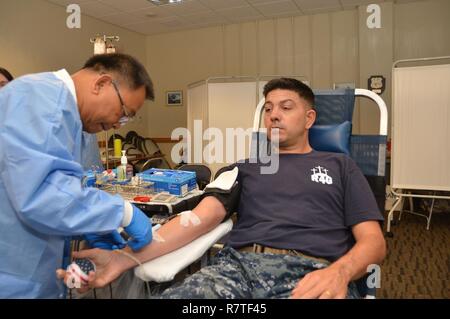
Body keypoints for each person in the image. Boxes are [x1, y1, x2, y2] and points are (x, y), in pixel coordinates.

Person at [58, 78, 386, 299]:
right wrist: (122, 257)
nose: (273, 115)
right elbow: (197, 220)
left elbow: (373, 243)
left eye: (286, 107)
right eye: (269, 108)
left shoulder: (341, 166)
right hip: (236, 272)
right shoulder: (244, 167)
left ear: (310, 118)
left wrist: (341, 272)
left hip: (312, 273)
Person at [0, 53, 156, 298]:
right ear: (101, 84)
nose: (119, 124)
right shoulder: (40, 100)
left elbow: (45, 186)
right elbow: (40, 195)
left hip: (31, 272)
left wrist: (89, 226)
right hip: (12, 274)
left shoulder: (71, 118)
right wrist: (122, 212)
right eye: (124, 112)